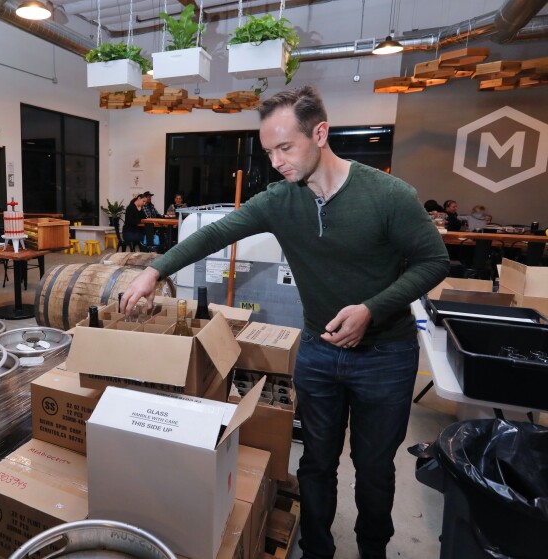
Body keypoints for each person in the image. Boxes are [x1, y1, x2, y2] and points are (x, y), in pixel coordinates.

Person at [120, 86, 449, 559]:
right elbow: (215, 233)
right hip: (318, 352)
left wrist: (371, 309)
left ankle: (372, 550)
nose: (275, 161)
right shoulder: (280, 200)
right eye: (269, 150)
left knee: (375, 469)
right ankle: (317, 549)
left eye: (285, 148)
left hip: (386, 357)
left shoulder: (388, 195)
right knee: (315, 463)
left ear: (320, 133)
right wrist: (154, 271)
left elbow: (433, 262)